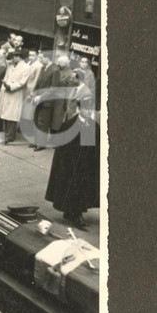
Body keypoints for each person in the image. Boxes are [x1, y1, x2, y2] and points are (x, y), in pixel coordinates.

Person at [45, 71, 99, 229]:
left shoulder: (93, 125)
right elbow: (63, 146)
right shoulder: (70, 125)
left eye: (90, 110)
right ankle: (75, 215)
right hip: (71, 165)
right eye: (86, 110)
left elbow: (94, 145)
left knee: (81, 190)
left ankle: (73, 212)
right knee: (73, 189)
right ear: (80, 109)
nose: (88, 113)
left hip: (85, 164)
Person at [0, 50, 30, 145]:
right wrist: (4, 86)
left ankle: (10, 136)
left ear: (19, 57)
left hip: (15, 93)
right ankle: (6, 133)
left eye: (14, 57)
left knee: (12, 115)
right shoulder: (11, 66)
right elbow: (6, 77)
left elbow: (22, 82)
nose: (12, 59)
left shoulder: (26, 68)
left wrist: (11, 86)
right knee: (5, 114)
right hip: (6, 91)